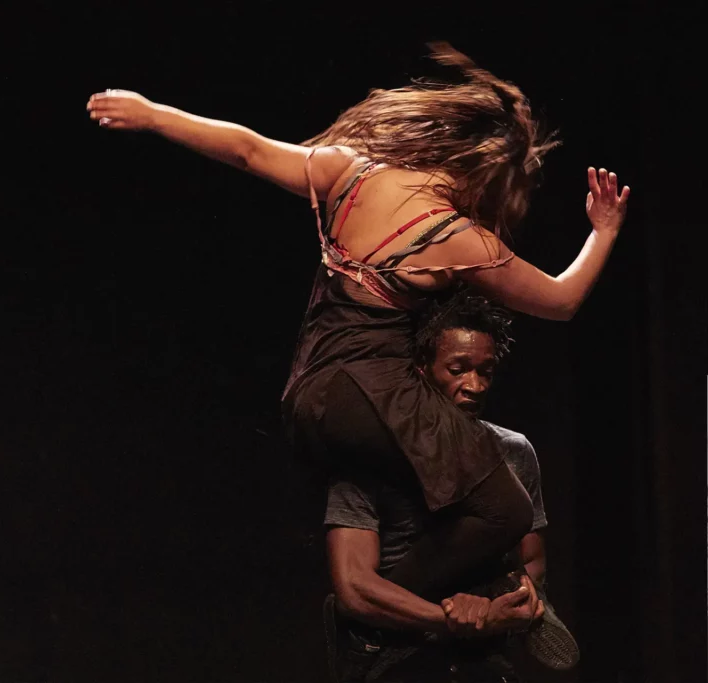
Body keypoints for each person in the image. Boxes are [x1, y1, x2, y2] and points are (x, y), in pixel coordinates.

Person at [87, 42, 628, 666]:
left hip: (312, 394)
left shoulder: (352, 171)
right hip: (372, 391)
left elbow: (247, 148)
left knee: (459, 496)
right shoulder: (454, 235)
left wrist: (153, 112)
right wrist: (604, 231)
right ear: (484, 172)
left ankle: (412, 606)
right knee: (504, 508)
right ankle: (382, 618)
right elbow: (560, 301)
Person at [323, 291, 572, 682]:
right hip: (398, 654)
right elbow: (354, 586)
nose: (474, 385)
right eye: (458, 369)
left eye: (485, 371)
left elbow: (533, 559)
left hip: (482, 659)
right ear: (421, 368)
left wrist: (517, 599)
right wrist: (451, 618)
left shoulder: (513, 451)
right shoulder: (369, 455)